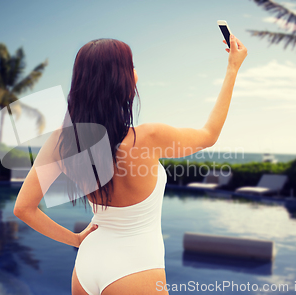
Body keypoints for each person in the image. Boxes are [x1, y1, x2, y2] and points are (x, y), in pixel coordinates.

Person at [14, 34, 247, 295]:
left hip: (87, 265)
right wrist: (232, 67)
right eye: (132, 66)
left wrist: (77, 240)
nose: (136, 73)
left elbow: (23, 208)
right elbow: (209, 135)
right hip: (135, 268)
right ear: (121, 80)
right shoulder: (150, 137)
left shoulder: (64, 140)